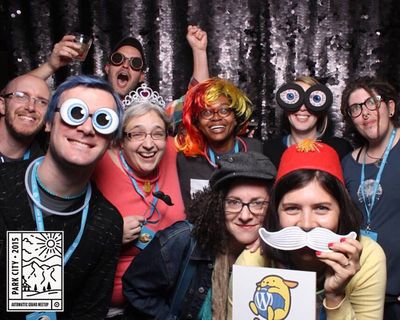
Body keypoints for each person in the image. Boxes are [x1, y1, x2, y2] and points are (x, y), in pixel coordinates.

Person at [0, 75, 124, 319]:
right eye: (74, 113)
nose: (87, 128)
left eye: (102, 120)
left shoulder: (107, 223)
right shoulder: (4, 186)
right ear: (48, 122)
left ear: (111, 138)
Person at [233, 140, 386, 319]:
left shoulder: (367, 257)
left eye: (321, 208)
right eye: (292, 208)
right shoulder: (253, 262)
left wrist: (336, 296)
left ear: (341, 211)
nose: (306, 224)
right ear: (276, 212)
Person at [122, 151, 276, 319]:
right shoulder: (183, 239)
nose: (245, 215)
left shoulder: (280, 252)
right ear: (217, 204)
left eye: (258, 203)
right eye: (234, 202)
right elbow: (135, 288)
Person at [92, 84, 185, 318]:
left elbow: (199, 104)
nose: (149, 143)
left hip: (164, 304)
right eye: (137, 133)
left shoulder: (171, 151)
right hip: (107, 308)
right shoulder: (92, 159)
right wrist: (111, 234)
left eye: (157, 133)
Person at [340, 76, 400, 319]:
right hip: (360, 287)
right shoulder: (347, 163)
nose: (365, 113)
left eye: (372, 103)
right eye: (356, 108)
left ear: (391, 107)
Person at [28, 25, 209, 100]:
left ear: (141, 77)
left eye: (135, 63)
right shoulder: (83, 100)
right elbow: (16, 95)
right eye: (118, 59)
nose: (125, 66)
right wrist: (51, 66)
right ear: (107, 68)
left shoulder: (149, 114)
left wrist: (199, 51)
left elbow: (195, 102)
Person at [175, 77, 263, 208]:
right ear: (197, 122)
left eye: (224, 110)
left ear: (235, 117)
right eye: (206, 112)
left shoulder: (256, 150)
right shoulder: (186, 160)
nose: (216, 118)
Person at [263, 76, 352, 168]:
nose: (302, 108)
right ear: (286, 108)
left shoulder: (340, 149)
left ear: (321, 109)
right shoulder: (270, 150)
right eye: (293, 98)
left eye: (314, 99)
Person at [0, 74, 51, 163]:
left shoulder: (40, 169)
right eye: (21, 96)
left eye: (41, 102)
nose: (31, 107)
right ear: (2, 105)